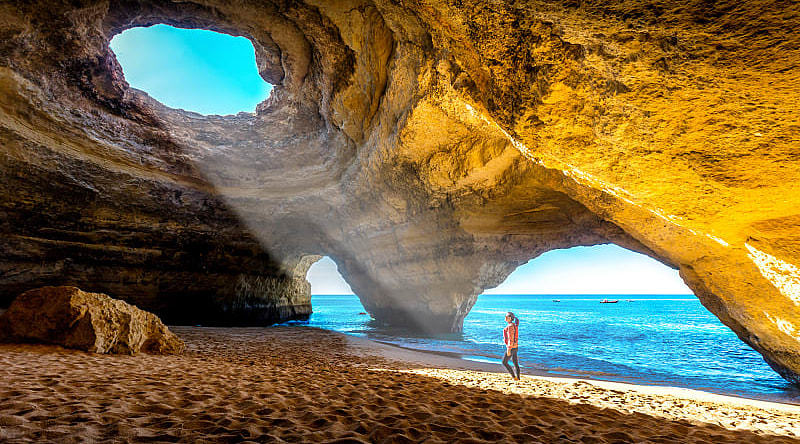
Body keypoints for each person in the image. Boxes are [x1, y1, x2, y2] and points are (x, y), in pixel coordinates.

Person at [502, 311, 520, 380]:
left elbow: (510, 338)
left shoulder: (510, 327)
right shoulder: (515, 325)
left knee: (504, 362)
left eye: (506, 317)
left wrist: (509, 349)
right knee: (515, 363)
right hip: (515, 347)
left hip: (512, 347)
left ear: (509, 318)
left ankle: (514, 377)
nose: (505, 318)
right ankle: (518, 378)